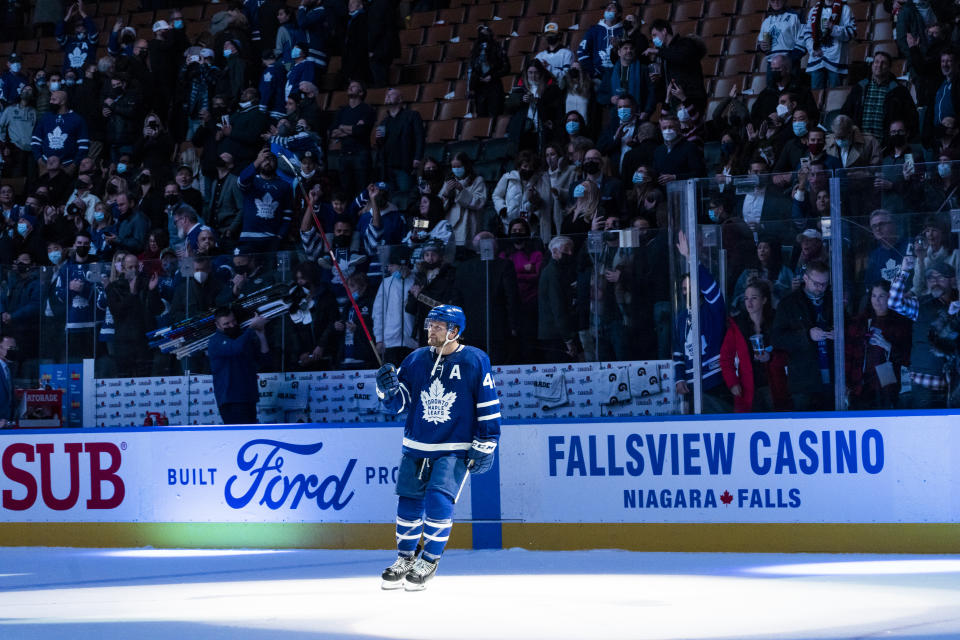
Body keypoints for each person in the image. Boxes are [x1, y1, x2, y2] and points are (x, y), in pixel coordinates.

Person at [375, 304, 501, 590]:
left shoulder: (475, 360)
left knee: (438, 501)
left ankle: (429, 560)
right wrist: (387, 390)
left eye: (437, 326)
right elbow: (399, 406)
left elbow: (488, 405)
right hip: (416, 445)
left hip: (454, 446)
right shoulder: (415, 359)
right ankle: (405, 558)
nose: (430, 330)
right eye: (430, 325)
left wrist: (488, 440)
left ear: (454, 331)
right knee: (407, 504)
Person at [888, 257, 957, 408]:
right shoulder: (921, 303)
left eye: (940, 277)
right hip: (924, 380)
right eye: (931, 277)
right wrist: (904, 270)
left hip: (955, 382)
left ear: (952, 280)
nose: (935, 281)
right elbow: (893, 302)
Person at [771, 260, 835, 411]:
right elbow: (776, 339)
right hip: (803, 381)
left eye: (824, 284)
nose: (821, 288)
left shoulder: (832, 300)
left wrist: (839, 333)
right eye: (816, 283)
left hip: (833, 377)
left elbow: (849, 327)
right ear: (805, 279)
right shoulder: (789, 304)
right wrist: (807, 335)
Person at [720, 280, 776, 412]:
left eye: (754, 298)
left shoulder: (776, 321)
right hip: (748, 387)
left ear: (764, 300)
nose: (749, 303)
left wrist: (771, 356)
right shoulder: (737, 325)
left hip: (773, 384)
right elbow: (725, 358)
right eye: (746, 298)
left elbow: (785, 349)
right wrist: (733, 383)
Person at [208, 307, 270, 424]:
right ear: (218, 325)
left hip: (249, 397)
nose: (232, 325)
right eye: (226, 323)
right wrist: (251, 327)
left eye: (234, 321)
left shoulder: (243, 338)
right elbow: (235, 348)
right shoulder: (215, 341)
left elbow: (264, 360)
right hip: (231, 400)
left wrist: (261, 335)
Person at [0, 334, 17, 427]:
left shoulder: (8, 368)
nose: (13, 352)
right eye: (10, 348)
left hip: (8, 426)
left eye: (15, 349)